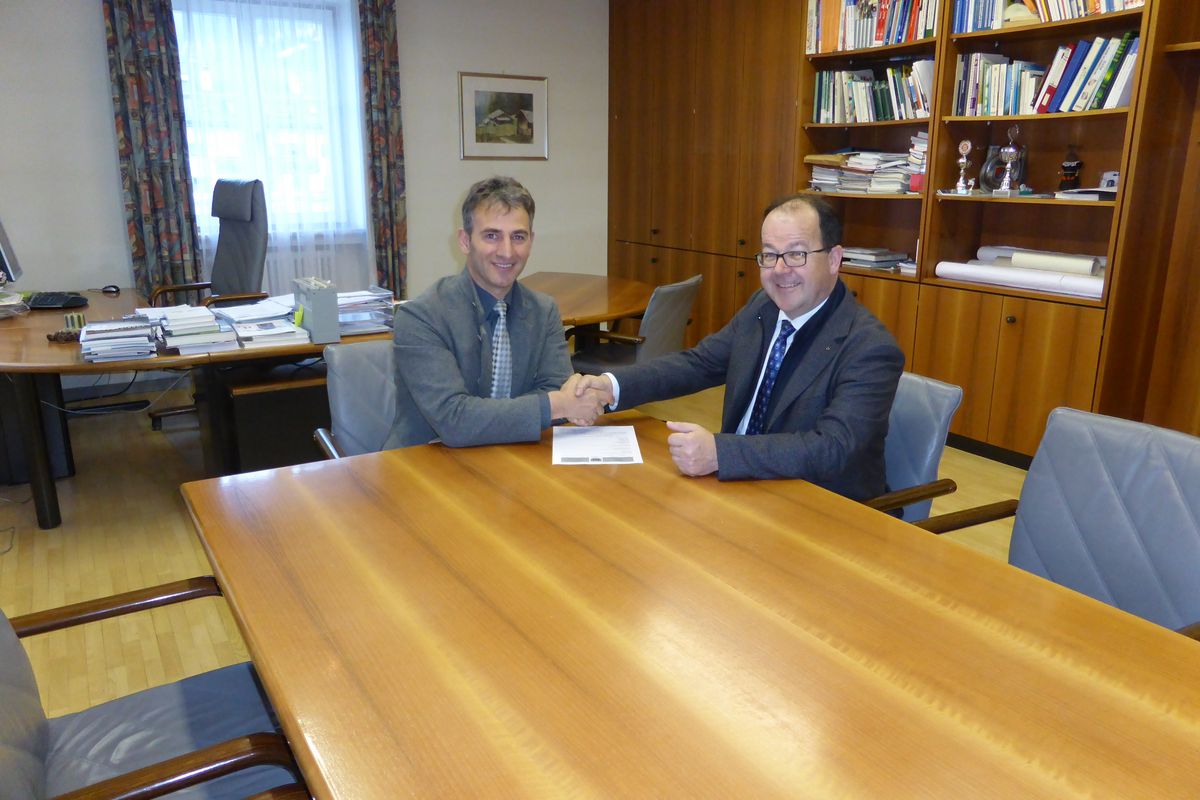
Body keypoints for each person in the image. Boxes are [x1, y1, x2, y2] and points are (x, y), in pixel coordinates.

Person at [576, 194, 903, 500]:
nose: (780, 270)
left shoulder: (869, 348)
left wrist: (720, 453)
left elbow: (833, 448)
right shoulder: (764, 307)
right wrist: (611, 386)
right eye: (770, 254)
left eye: (796, 254)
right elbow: (699, 363)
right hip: (741, 488)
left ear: (833, 259)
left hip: (818, 506)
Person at [383, 176, 604, 449]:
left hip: (511, 455)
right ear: (465, 241)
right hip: (426, 459)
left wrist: (560, 403)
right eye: (492, 236)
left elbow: (557, 390)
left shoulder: (544, 311)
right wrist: (557, 405)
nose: (507, 252)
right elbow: (454, 420)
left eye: (518, 237)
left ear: (531, 241)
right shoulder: (421, 317)